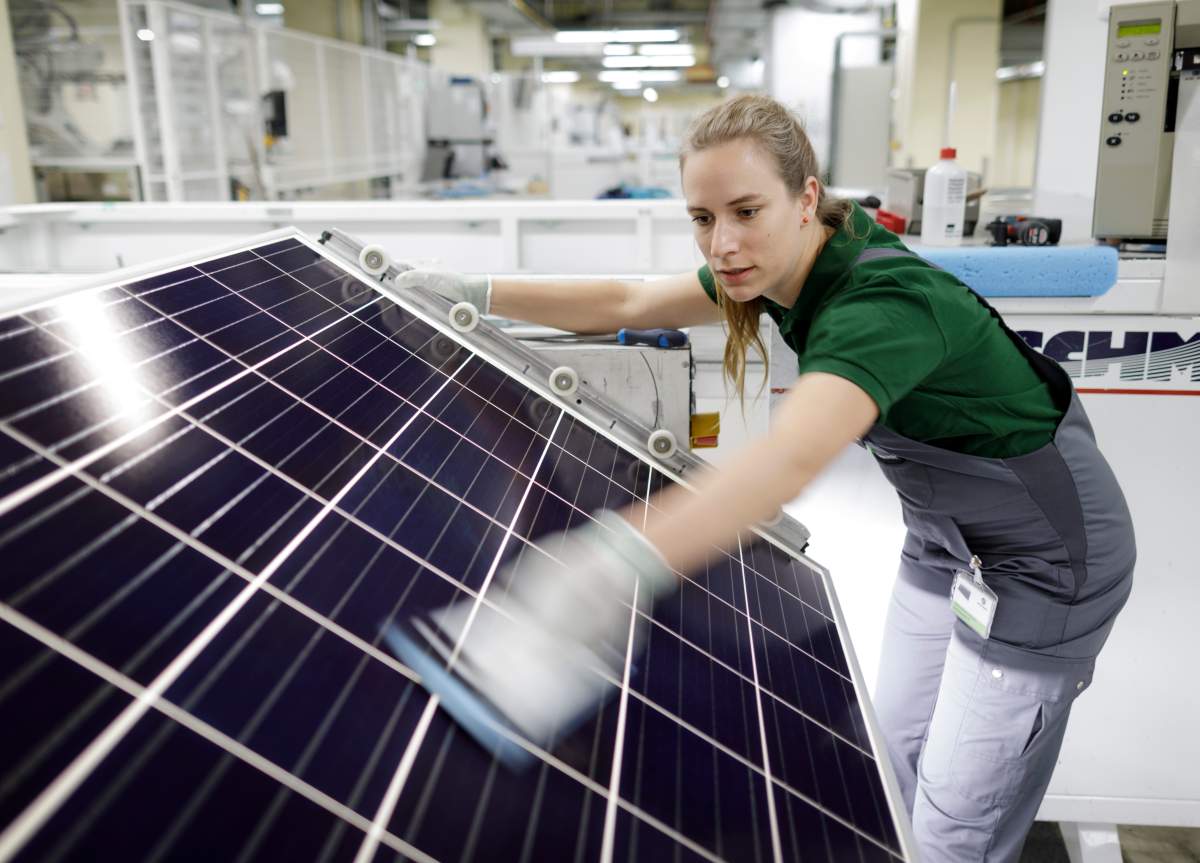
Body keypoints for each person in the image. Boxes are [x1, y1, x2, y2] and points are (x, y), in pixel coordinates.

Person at [389, 94, 1135, 862]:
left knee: (956, 831)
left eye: (745, 210)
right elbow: (629, 300)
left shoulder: (880, 306)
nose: (723, 243)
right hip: (946, 545)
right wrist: (475, 293)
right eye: (704, 218)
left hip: (1047, 565)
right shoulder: (783, 268)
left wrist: (614, 563)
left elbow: (789, 460)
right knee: (895, 766)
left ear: (806, 197)